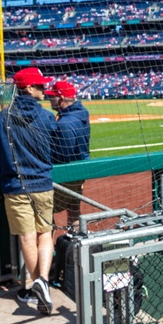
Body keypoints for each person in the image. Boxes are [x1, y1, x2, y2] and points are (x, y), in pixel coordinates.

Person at [0, 67, 58, 315]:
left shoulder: (1, 117)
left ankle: (39, 285)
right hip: (42, 183)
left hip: (14, 185)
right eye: (39, 85)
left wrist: (7, 169)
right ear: (27, 88)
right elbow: (57, 151)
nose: (44, 89)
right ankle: (44, 281)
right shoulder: (48, 117)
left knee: (27, 237)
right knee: (45, 233)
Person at [46, 80, 91, 227]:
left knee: (45, 215)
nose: (49, 99)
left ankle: (49, 247)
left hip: (66, 175)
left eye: (52, 96)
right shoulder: (81, 114)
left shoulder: (65, 123)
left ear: (61, 98)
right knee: (74, 210)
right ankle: (76, 245)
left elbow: (62, 155)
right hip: (80, 171)